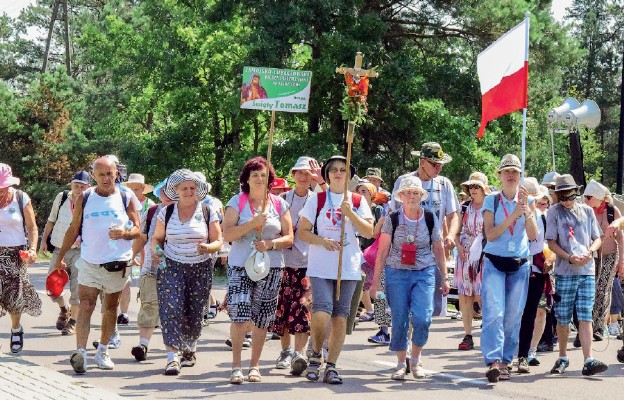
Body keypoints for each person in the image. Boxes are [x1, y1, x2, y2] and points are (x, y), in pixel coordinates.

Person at [53, 157, 140, 374]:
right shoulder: (86, 196)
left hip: (116, 263)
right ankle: (81, 353)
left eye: (109, 174)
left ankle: (102, 350)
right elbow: (73, 228)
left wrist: (125, 233)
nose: (106, 179)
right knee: (86, 305)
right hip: (90, 261)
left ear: (116, 174)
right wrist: (59, 257)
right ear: (93, 176)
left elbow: (138, 229)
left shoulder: (125, 196)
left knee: (110, 308)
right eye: (100, 175)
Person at [298, 155, 374, 384]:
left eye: (343, 169)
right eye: (334, 170)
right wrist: (322, 241)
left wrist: (350, 213)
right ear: (327, 175)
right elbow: (302, 232)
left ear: (349, 175)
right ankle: (315, 356)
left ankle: (331, 365)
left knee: (341, 317)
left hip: (348, 267)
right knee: (322, 311)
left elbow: (369, 232)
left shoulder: (359, 201)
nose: (339, 173)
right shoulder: (317, 200)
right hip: (321, 266)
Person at [370, 176, 449, 380]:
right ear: (401, 196)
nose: (411, 196)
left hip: (425, 271)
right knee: (400, 317)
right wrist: (375, 282)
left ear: (421, 196)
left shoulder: (430, 217)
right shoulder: (393, 218)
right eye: (408, 193)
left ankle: (416, 359)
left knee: (423, 317)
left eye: (415, 193)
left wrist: (445, 277)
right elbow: (383, 251)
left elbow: (439, 249)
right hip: (397, 272)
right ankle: (400, 362)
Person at [222, 157, 293, 384]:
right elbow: (228, 235)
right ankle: (236, 366)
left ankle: (255, 365)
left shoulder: (279, 204)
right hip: (241, 265)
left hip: (271, 266)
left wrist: (271, 244)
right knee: (240, 314)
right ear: (247, 179)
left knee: (263, 317)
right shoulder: (237, 202)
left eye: (263, 175)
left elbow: (289, 237)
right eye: (255, 175)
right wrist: (253, 223)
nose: (260, 179)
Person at [150, 169, 222, 375]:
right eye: (184, 188)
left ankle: (189, 348)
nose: (189, 191)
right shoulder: (167, 212)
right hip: (171, 265)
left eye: (192, 188)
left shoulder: (208, 211)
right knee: (171, 308)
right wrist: (157, 252)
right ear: (176, 190)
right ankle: (172, 358)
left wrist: (208, 248)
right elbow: (157, 239)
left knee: (195, 310)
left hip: (200, 266)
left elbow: (218, 240)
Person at [480, 154, 538, 383]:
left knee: (513, 316)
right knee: (494, 312)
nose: (511, 175)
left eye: (515, 172)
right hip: (495, 262)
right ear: (500, 175)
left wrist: (527, 211)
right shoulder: (491, 201)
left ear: (520, 175)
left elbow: (533, 236)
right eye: (507, 172)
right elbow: (491, 234)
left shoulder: (528, 201)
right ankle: (493, 360)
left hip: (520, 263)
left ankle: (506, 360)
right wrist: (513, 214)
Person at [545, 174, 607, 376]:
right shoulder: (554, 211)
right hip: (565, 271)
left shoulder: (587, 211)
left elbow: (597, 237)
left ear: (576, 193)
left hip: (586, 271)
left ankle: (588, 359)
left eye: (569, 196)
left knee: (585, 315)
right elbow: (551, 242)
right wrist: (569, 257)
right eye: (562, 196)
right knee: (562, 316)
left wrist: (590, 252)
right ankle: (563, 356)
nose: (566, 200)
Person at [391, 142, 460, 317]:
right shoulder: (404, 181)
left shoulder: (444, 184)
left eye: (441, 164)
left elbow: (454, 215)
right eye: (435, 164)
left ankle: (424, 340)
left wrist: (451, 235)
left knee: (432, 307)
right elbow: (392, 215)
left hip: (433, 252)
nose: (439, 168)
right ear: (422, 162)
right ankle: (397, 336)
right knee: (402, 304)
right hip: (404, 250)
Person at [269, 156, 322, 375]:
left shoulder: (318, 199)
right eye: (299, 172)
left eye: (307, 173)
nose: (303, 176)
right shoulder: (281, 200)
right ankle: (285, 351)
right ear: (292, 175)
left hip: (308, 262)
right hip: (283, 261)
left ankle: (299, 354)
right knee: (282, 309)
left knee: (302, 308)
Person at [40, 171, 91, 335]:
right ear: (71, 185)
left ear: (88, 187)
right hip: (59, 248)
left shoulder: (91, 201)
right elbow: (51, 220)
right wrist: (43, 241)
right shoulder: (62, 197)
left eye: (82, 186)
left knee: (77, 290)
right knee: (52, 286)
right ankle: (64, 309)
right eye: (76, 185)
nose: (78, 189)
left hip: (80, 251)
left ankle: (73, 322)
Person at [130, 179, 172, 362]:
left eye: (170, 190)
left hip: (180, 269)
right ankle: (143, 345)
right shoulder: (153, 211)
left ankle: (178, 351)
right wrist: (131, 256)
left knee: (175, 309)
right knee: (149, 304)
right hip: (151, 267)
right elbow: (142, 237)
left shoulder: (188, 211)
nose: (166, 194)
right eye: (163, 190)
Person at [0, 163, 40, 353]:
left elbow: (32, 228)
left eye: (3, 187)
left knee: (14, 296)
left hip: (16, 254)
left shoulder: (21, 198)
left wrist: (33, 249)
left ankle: (16, 329)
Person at [516, 177, 554, 373]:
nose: (531, 201)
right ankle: (507, 354)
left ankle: (526, 353)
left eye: (534, 198)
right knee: (514, 313)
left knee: (535, 312)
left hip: (538, 270)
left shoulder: (543, 217)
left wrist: (552, 257)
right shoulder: (512, 213)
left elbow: (552, 243)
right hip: (514, 268)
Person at [583, 180, 624, 339]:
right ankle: (589, 325)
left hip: (611, 254)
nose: (585, 200)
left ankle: (599, 327)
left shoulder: (612, 212)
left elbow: (620, 238)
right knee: (591, 288)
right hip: (593, 255)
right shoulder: (586, 211)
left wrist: (621, 263)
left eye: (589, 196)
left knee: (604, 288)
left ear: (600, 198)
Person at [455, 172, 490, 351]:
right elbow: (455, 230)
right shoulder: (464, 207)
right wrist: (458, 246)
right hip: (465, 254)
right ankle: (467, 334)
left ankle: (489, 332)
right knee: (465, 294)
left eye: (477, 186)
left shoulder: (491, 206)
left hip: (485, 254)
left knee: (484, 293)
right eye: (471, 186)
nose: (473, 190)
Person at [354, 179, 381, 324]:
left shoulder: (378, 210)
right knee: (361, 283)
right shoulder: (354, 208)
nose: (360, 194)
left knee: (377, 287)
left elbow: (374, 232)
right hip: (360, 252)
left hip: (375, 253)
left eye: (364, 191)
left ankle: (382, 316)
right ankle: (370, 311)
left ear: (372, 194)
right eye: (358, 191)